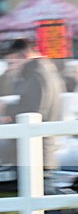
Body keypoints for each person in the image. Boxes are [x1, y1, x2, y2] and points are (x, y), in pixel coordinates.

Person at [0, 38, 66, 170]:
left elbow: (35, 111)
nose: (11, 66)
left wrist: (6, 108)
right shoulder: (45, 71)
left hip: (36, 151)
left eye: (11, 61)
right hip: (42, 149)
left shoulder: (36, 74)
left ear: (23, 55)